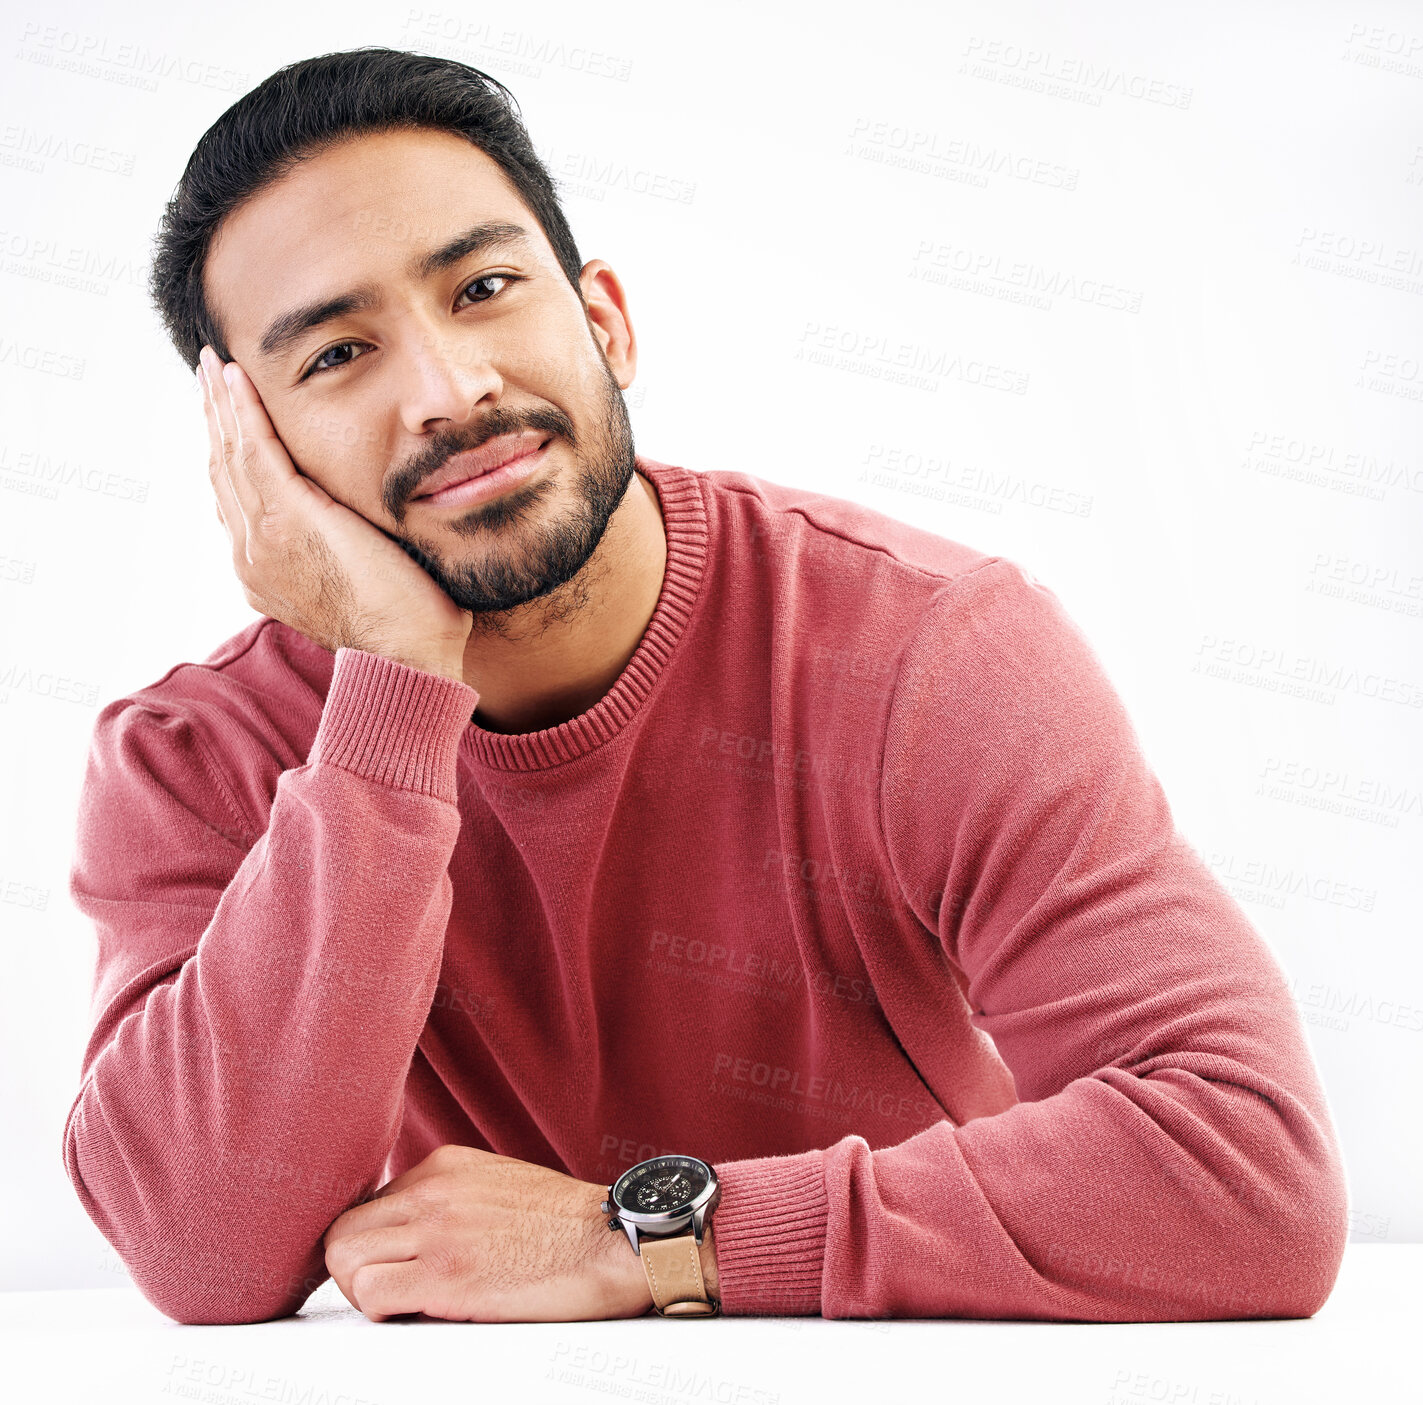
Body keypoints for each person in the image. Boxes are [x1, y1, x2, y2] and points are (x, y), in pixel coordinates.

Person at [63, 47, 1349, 1326]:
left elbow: (1248, 1175)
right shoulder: (197, 756)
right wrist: (392, 689)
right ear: (253, 451)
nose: (448, 392)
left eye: (486, 287)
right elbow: (203, 1251)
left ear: (606, 322)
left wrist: (638, 1238)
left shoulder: (928, 652)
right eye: (337, 357)